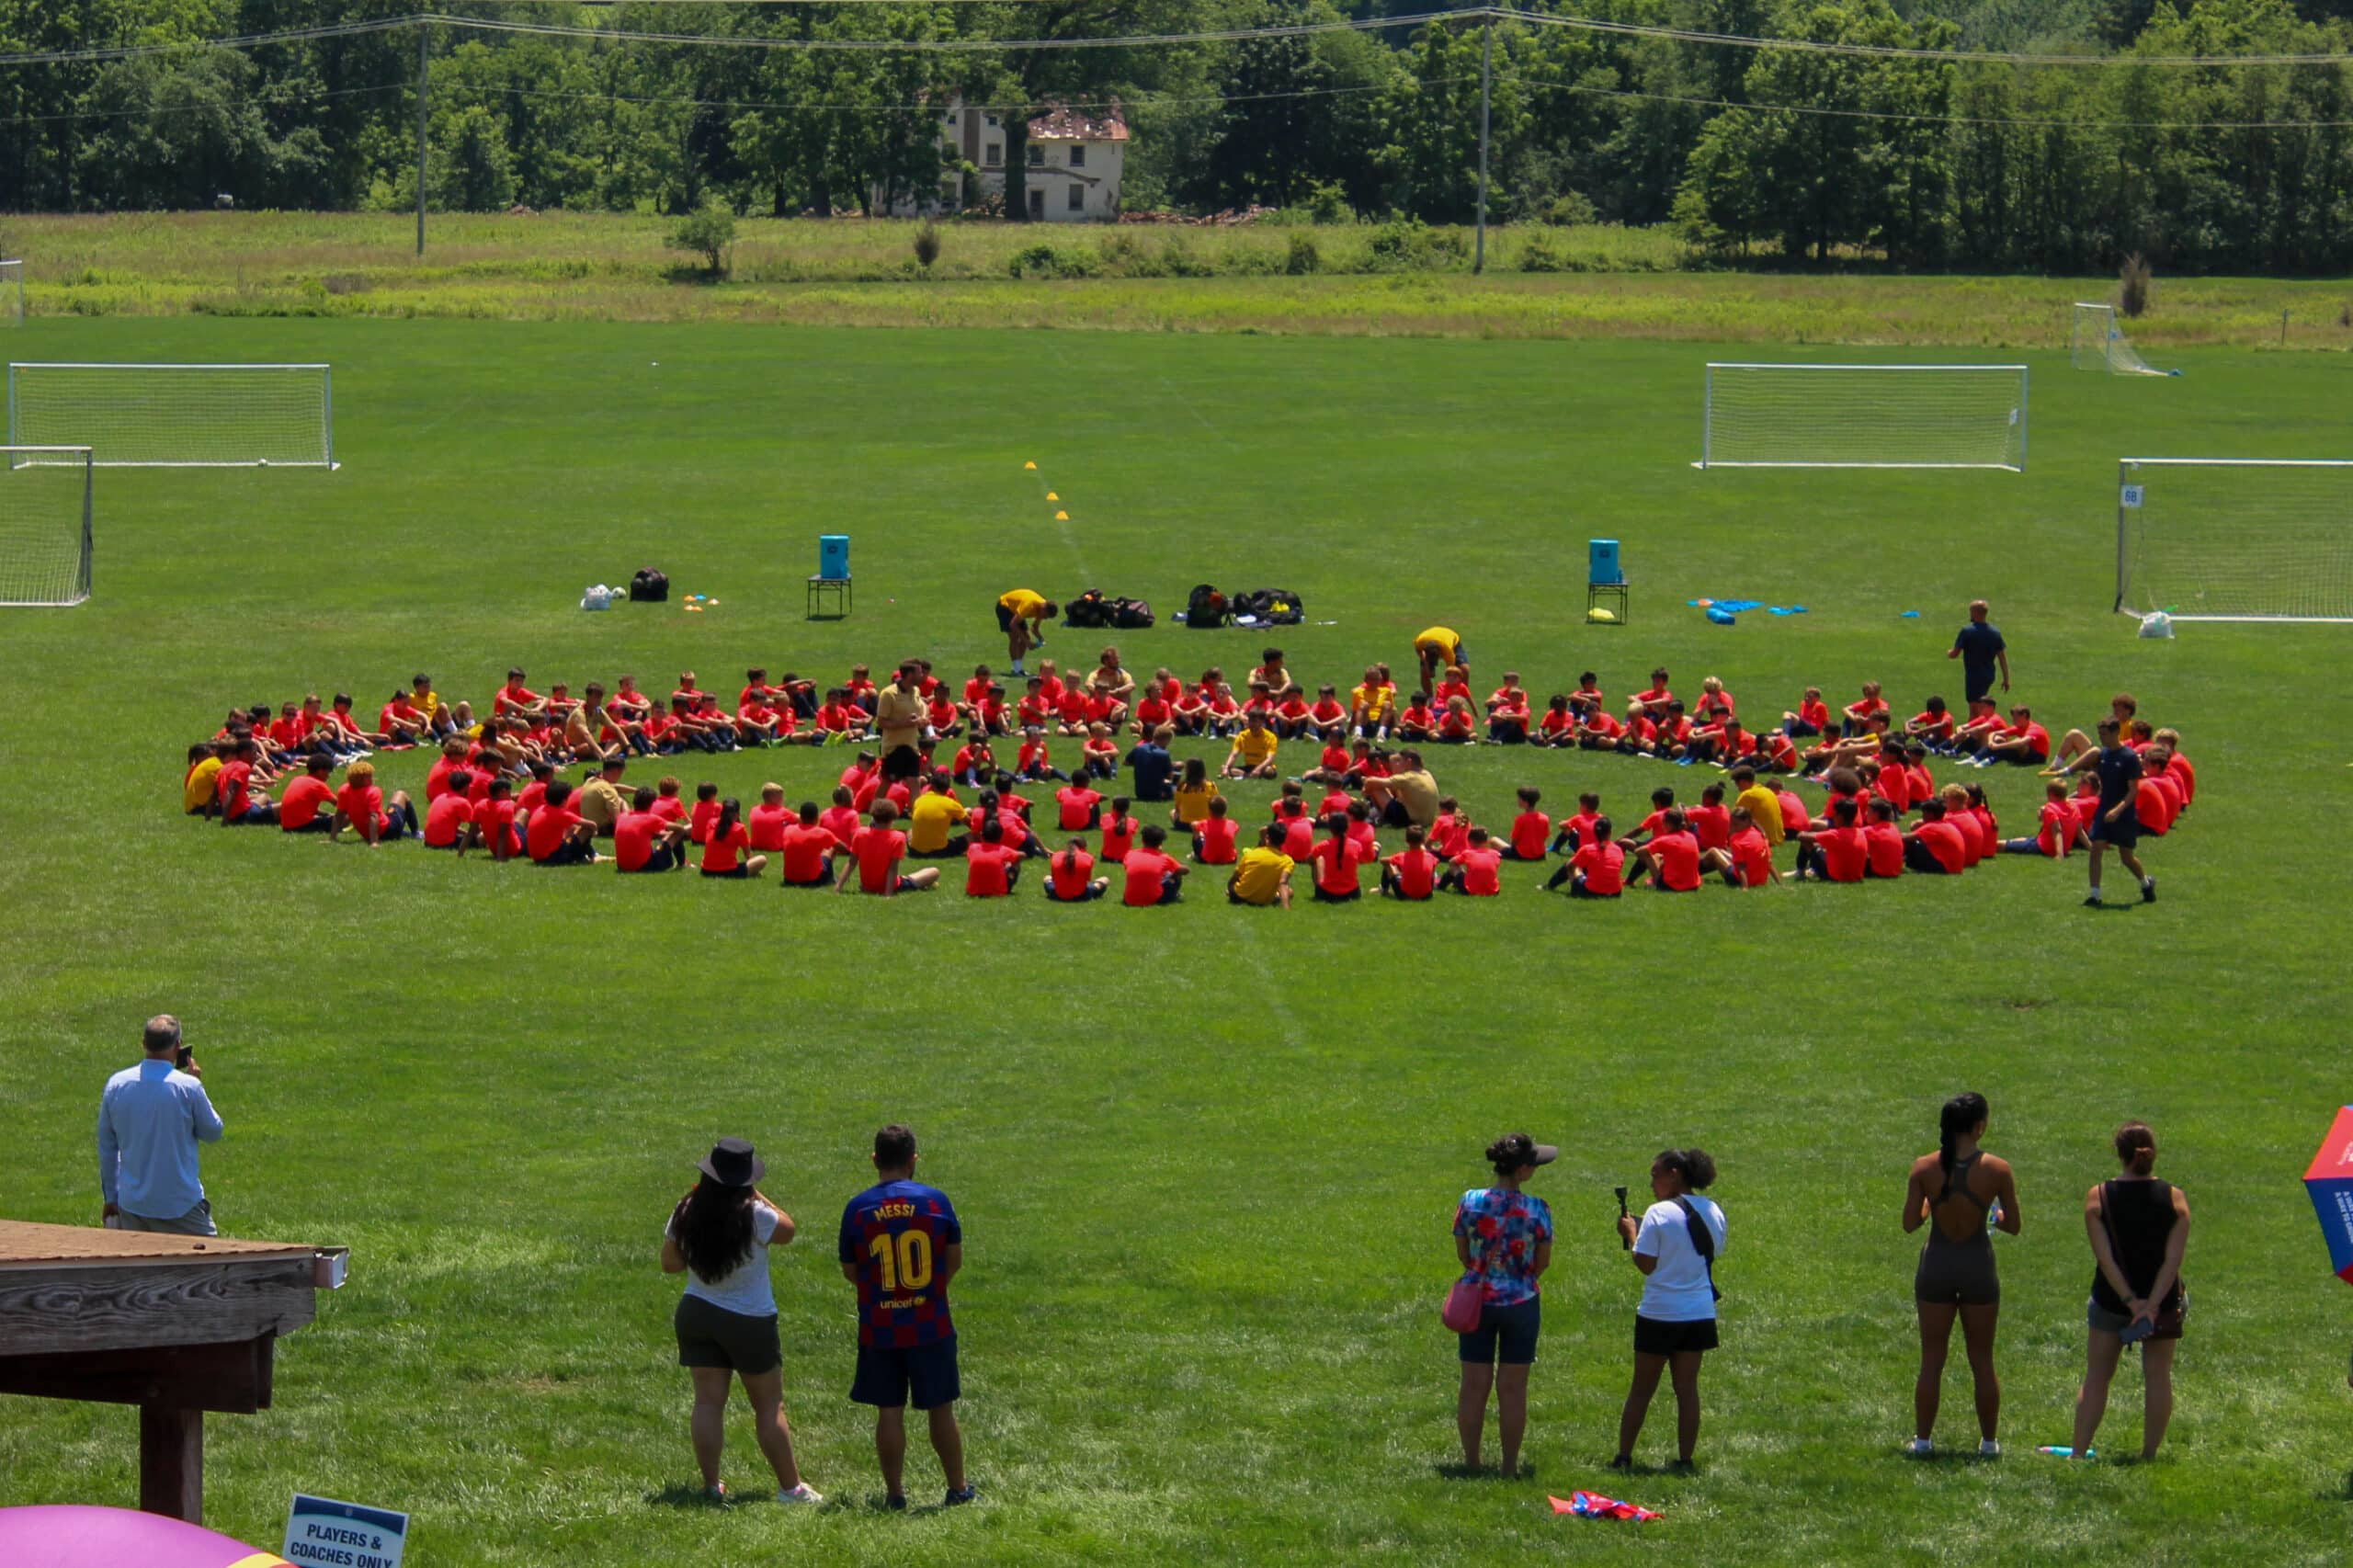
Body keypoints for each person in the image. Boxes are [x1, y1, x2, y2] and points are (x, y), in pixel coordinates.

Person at [661, 1139, 823, 1505]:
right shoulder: (756, 1214)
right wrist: (758, 1195)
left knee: (707, 1403)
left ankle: (711, 1486)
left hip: (697, 1312)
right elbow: (789, 1230)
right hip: (749, 1320)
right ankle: (790, 1489)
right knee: (768, 1406)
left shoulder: (686, 1209)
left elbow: (670, 1264)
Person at [839, 1124, 975, 1509]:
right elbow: (954, 1260)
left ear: (875, 1159)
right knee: (941, 1408)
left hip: (880, 1325)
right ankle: (957, 1487)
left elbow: (852, 1270)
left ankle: (895, 1494)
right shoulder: (935, 1202)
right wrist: (928, 1291)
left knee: (889, 1410)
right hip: (930, 1322)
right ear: (913, 1159)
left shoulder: (859, 1208)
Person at [1904, 1092, 2019, 1458]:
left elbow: (1909, 1223)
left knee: (1932, 1358)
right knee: (1982, 1359)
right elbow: (2013, 1225)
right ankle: (1988, 1443)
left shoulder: (1924, 1167)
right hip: (1978, 1268)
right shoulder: (1997, 1170)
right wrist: (1995, 1216)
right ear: (1979, 1126)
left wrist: (1927, 1204)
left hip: (1936, 1266)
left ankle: (1923, 1441)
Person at [2070, 1121, 2190, 1461]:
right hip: (2163, 1301)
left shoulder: (2099, 1197)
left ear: (2119, 1154)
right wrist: (2151, 1306)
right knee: (2158, 1376)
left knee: (2097, 1376)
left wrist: (2130, 1301)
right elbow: (2173, 1260)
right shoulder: (2174, 1198)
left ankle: (2078, 1454)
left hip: (2111, 1300)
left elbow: (2105, 1259)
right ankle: (2149, 1454)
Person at [1612, 1148, 1724, 1471]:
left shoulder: (1659, 1213)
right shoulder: (1714, 1210)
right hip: (1699, 1312)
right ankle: (1685, 1459)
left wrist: (1633, 1233)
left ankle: (1624, 1456)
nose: (1652, 1183)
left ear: (1674, 1174)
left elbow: (1646, 1264)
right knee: (1687, 1390)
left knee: (1641, 1389)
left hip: (1660, 1312)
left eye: (1655, 1175)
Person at [1452, 1133, 1557, 1478]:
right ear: (1523, 1170)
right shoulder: (1537, 1209)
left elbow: (1464, 1254)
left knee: (1473, 1385)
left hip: (1478, 1302)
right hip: (1521, 1302)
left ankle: (1472, 1462)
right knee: (1512, 1388)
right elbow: (1542, 1262)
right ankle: (1509, 1466)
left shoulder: (1470, 1201)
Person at [97, 1016, 224, 1235]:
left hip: (134, 1207)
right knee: (207, 1262)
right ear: (177, 1046)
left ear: (144, 1044)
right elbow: (213, 1132)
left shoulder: (116, 1084)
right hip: (181, 1206)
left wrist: (111, 1198)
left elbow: (108, 1148)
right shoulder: (189, 1087)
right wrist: (197, 1085)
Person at [2083, 719, 2156, 907]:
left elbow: (2133, 790)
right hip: (2103, 810)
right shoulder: (2104, 754)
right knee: (2096, 848)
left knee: (2126, 857)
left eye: (2104, 734)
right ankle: (2095, 895)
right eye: (2100, 734)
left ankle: (2146, 883)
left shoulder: (2129, 757)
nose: (2101, 738)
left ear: (2116, 733)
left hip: (2123, 814)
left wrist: (2118, 810)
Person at [1947, 598, 2010, 702]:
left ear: (1975, 613)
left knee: (1974, 709)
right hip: (1989, 675)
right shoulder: (1995, 632)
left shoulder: (1967, 631)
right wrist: (2006, 679)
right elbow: (2002, 658)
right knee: (1980, 705)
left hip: (1974, 676)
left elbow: (1954, 654)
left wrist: (1949, 653)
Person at [1228, 824, 1295, 907]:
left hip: (1239, 897)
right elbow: (1283, 883)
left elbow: (1234, 878)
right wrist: (1286, 907)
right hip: (1263, 900)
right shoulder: (1287, 861)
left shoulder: (1252, 854)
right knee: (1290, 892)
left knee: (1236, 883)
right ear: (1284, 841)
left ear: (1267, 838)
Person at [996, 588, 1058, 676]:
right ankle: (1016, 670)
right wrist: (1027, 642)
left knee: (1027, 637)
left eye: (1046, 617)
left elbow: (1034, 628)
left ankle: (1018, 669)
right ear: (1043, 608)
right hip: (1005, 606)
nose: (1043, 618)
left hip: (1016, 610)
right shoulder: (1029, 605)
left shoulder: (1042, 608)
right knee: (1014, 637)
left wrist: (1041, 639)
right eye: (1044, 616)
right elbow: (1013, 624)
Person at [1414, 625, 1466, 694]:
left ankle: (1460, 694)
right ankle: (1430, 698)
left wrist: (1448, 686)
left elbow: (1452, 670)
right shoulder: (1419, 642)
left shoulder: (1448, 651)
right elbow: (1418, 650)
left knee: (1464, 668)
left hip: (1451, 637)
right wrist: (1425, 663)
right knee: (1424, 672)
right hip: (1429, 637)